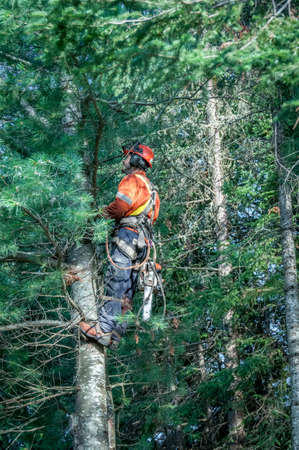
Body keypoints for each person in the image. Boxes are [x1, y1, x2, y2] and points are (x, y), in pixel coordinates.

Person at [79, 143, 160, 347]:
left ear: (134, 160)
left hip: (128, 236)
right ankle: (116, 332)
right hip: (142, 244)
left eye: (127, 157)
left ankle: (104, 329)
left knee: (116, 280)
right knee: (128, 287)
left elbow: (120, 206)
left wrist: (98, 216)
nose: (124, 161)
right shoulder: (152, 190)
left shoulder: (132, 180)